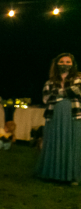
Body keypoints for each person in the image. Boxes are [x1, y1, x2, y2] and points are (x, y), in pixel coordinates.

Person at [36, 53, 81, 185]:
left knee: (72, 144)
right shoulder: (50, 81)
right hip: (54, 115)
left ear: (72, 64)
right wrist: (66, 93)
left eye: (68, 62)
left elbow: (77, 92)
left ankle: (72, 176)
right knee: (55, 142)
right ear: (57, 63)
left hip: (74, 115)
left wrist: (57, 95)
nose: (65, 64)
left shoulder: (79, 78)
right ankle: (53, 173)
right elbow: (46, 99)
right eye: (62, 62)